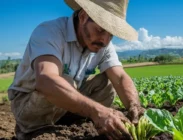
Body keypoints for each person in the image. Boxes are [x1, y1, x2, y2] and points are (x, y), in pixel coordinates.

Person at [7, 0, 145, 139]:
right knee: (66, 81)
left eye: (111, 34)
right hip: (29, 105)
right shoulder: (49, 32)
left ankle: (75, 125)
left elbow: (120, 77)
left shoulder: (103, 45)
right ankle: (33, 131)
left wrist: (134, 105)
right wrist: (97, 111)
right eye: (101, 29)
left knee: (107, 84)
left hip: (64, 106)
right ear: (83, 16)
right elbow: (46, 80)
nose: (104, 40)